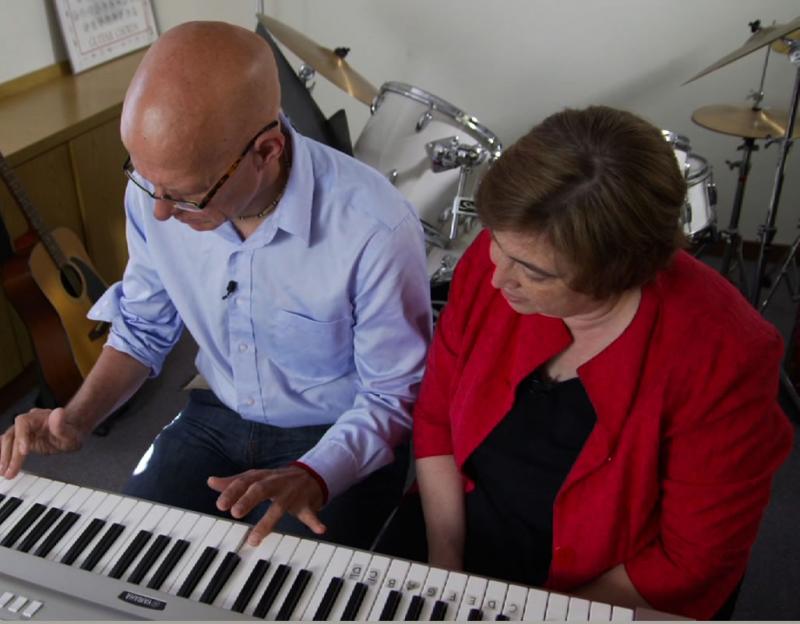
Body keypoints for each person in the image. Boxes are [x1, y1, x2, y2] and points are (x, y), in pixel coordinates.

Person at [0, 21, 431, 550]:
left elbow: (392, 395)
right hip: (215, 413)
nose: (159, 209)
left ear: (268, 151)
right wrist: (76, 420)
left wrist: (315, 474)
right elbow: (141, 326)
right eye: (145, 179)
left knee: (280, 591)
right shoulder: (158, 190)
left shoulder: (375, 228)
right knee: (122, 554)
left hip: (333, 433)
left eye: (186, 195)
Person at [376, 105, 793, 619]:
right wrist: (444, 562)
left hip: (602, 593)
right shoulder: (508, 251)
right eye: (496, 243)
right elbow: (437, 419)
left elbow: (687, 561)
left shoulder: (726, 357)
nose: (495, 277)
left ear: (620, 272)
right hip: (458, 534)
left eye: (531, 271)